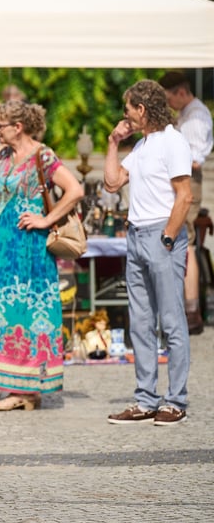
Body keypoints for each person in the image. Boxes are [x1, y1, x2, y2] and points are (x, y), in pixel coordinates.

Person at [0, 100, 84, 411]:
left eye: (0, 125)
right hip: (3, 246)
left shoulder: (43, 156)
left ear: (18, 127)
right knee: (1, 309)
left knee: (28, 311)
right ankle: (16, 386)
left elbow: (75, 190)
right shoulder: (4, 156)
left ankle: (27, 389)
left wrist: (46, 220)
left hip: (31, 248)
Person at [104, 79, 192, 426]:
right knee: (140, 323)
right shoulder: (142, 145)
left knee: (171, 321)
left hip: (161, 235)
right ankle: (145, 399)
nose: (125, 116)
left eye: (128, 110)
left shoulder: (173, 141)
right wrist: (113, 142)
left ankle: (176, 400)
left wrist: (168, 238)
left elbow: (184, 195)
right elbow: (112, 182)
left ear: (142, 109)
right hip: (137, 235)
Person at [159, 71, 213, 334]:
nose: (169, 104)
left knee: (186, 241)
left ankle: (192, 312)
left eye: (170, 98)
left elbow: (193, 160)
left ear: (182, 92)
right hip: (180, 180)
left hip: (187, 182)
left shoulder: (196, 116)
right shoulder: (187, 114)